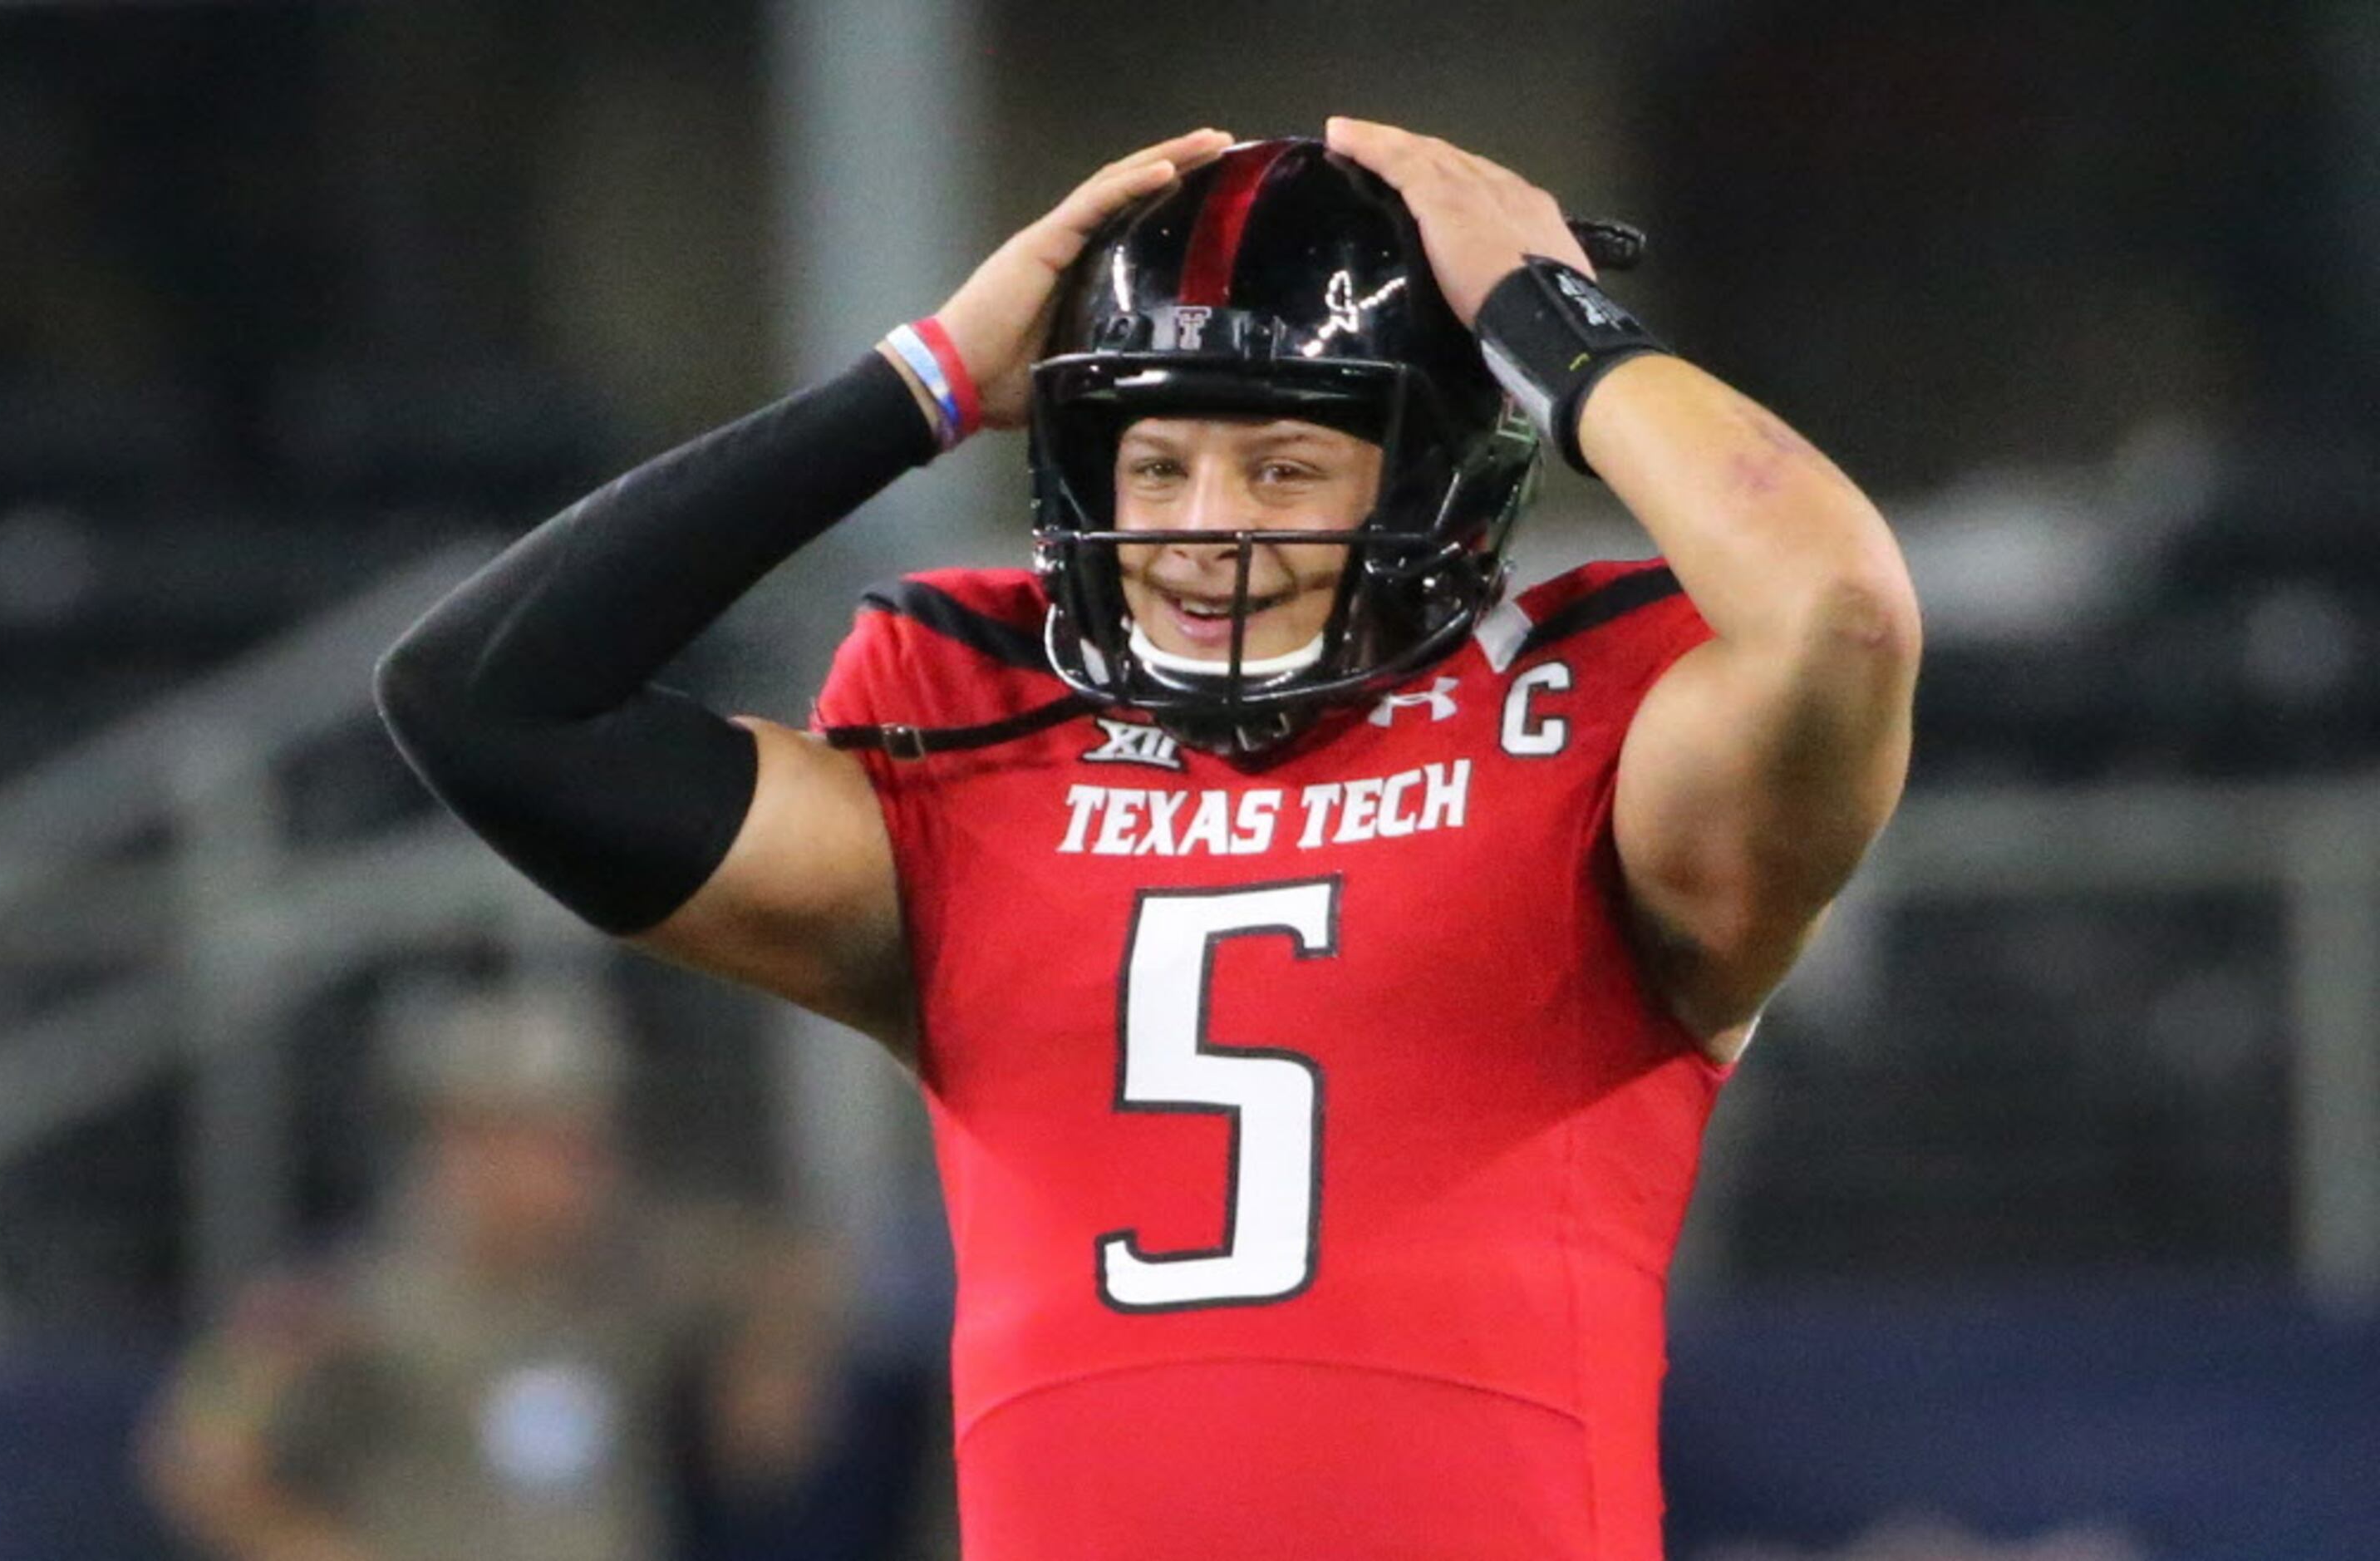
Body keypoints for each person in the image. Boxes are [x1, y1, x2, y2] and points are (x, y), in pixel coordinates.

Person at [374, 120, 1920, 1560]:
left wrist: (1552, 332)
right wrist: (912, 383)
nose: (1204, 524)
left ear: (1438, 475)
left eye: (1284, 465)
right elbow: (484, 708)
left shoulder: (1589, 721)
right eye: (1157, 459)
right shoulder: (973, 737)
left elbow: (1835, 611)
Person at [136, 987, 861, 1561]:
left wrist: (768, 1373)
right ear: (466, 1146)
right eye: (554, 1148)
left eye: (590, 1145)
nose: (587, 1175)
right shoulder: (358, 1299)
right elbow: (200, 1461)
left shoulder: (631, 1277)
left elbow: (791, 1269)